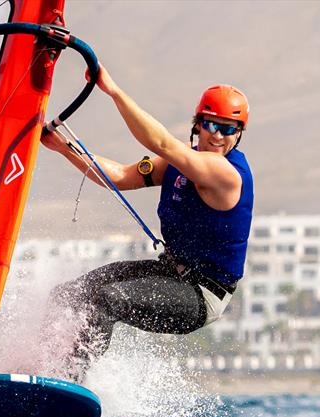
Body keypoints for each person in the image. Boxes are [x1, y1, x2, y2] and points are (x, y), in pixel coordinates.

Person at [41, 66, 253, 382]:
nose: (218, 136)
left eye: (228, 129)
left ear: (239, 133)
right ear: (198, 125)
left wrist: (112, 90)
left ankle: (71, 380)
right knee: (68, 294)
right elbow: (120, 177)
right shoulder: (178, 164)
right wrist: (63, 148)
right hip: (169, 272)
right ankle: (40, 367)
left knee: (108, 299)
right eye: (211, 125)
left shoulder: (226, 175)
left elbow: (162, 144)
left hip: (201, 295)